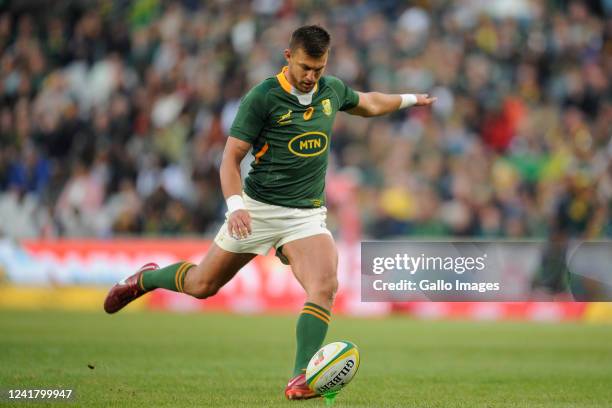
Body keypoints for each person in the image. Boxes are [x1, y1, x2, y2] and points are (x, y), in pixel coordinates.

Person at [104, 25, 436, 400]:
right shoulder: (263, 97)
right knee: (201, 285)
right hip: (258, 210)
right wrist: (236, 207)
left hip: (306, 216)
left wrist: (410, 99)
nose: (312, 77)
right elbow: (229, 159)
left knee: (324, 286)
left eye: (319, 68)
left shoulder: (331, 91)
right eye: (306, 67)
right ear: (288, 57)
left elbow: (371, 103)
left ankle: (300, 378)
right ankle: (145, 279)